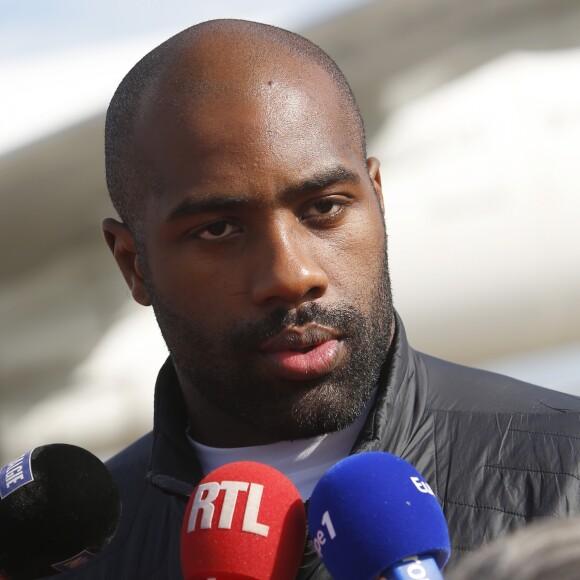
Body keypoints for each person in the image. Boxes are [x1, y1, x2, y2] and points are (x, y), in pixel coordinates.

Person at [52, 19, 580, 579]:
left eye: (325, 207)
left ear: (378, 199)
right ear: (134, 264)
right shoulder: (72, 559)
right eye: (218, 230)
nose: (291, 274)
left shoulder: (567, 473)